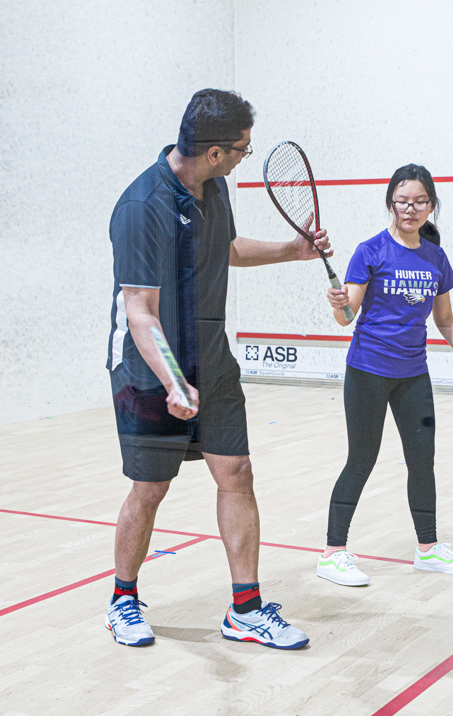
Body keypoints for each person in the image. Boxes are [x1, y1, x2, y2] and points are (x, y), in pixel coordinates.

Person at [106, 89, 331, 649]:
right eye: (240, 150)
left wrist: (290, 250)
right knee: (151, 487)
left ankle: (245, 609)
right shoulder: (141, 208)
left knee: (237, 474)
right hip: (149, 363)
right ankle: (123, 600)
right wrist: (173, 382)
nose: (241, 158)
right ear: (213, 152)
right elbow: (140, 312)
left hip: (212, 353)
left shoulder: (214, 186)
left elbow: (225, 248)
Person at [316, 163, 453, 587]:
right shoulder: (370, 250)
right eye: (401, 201)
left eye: (418, 202)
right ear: (390, 203)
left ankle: (428, 550)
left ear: (431, 205)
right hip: (368, 371)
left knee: (422, 460)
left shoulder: (435, 256)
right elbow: (346, 317)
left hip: (414, 374)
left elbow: (445, 319)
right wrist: (339, 301)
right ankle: (332, 553)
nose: (409, 209)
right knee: (362, 459)